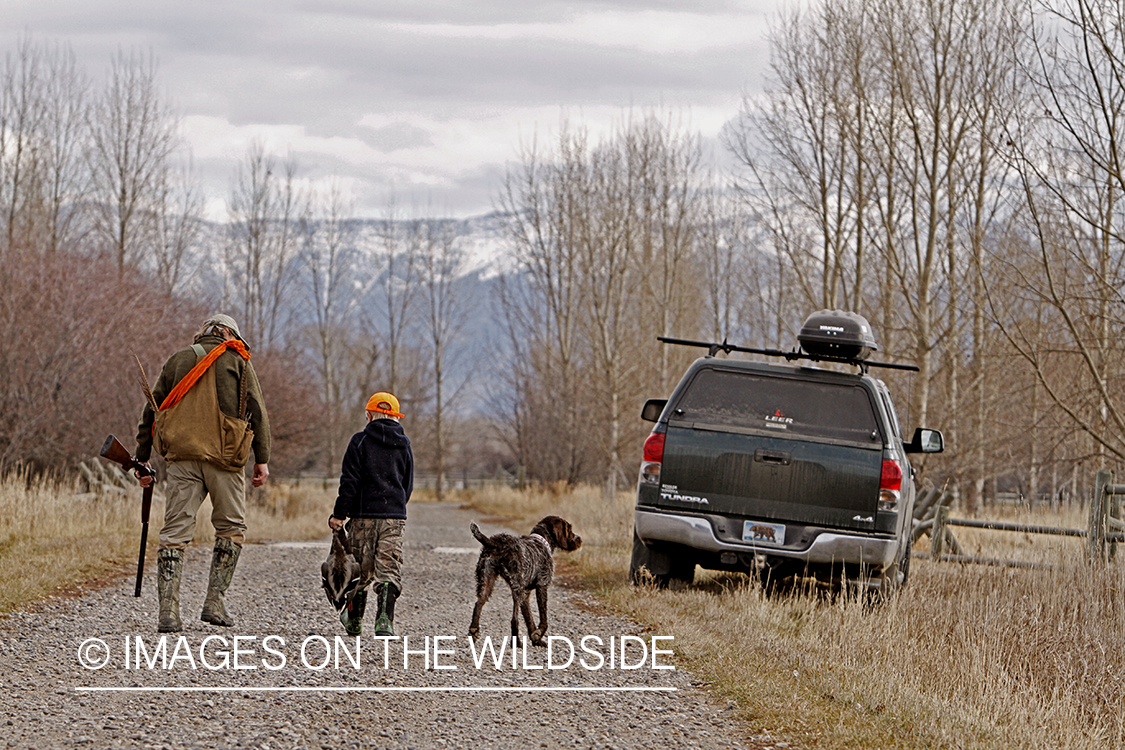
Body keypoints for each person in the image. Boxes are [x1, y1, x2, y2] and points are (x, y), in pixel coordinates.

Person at [134, 314, 271, 633]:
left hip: (182, 458)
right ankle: (214, 602)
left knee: (174, 533)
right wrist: (261, 459)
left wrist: (142, 458)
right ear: (230, 335)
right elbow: (258, 411)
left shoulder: (178, 358)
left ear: (204, 333)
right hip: (226, 459)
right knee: (231, 528)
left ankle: (168, 612)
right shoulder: (238, 359)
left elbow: (152, 409)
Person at [329, 392, 413, 637]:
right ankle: (384, 622)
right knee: (389, 568)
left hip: (363, 516)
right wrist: (396, 507)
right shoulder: (404, 444)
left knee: (361, 571)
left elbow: (349, 482)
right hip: (394, 517)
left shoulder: (359, 441)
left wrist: (339, 514)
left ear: (368, 415)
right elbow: (407, 483)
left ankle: (355, 622)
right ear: (396, 417)